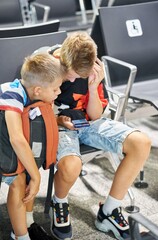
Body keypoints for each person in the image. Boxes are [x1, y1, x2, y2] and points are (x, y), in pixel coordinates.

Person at [35, 32, 150, 240]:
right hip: (56, 122)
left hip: (87, 122)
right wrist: (60, 120)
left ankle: (109, 212)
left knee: (141, 143)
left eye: (80, 76)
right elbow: (35, 110)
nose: (73, 79)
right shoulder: (46, 63)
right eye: (72, 74)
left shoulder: (91, 68)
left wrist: (93, 86)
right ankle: (59, 202)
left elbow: (96, 115)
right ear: (63, 59)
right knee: (71, 165)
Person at [0, 53, 65, 240]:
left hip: (5, 139)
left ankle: (23, 230)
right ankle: (21, 235)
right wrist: (36, 177)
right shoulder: (11, 94)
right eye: (56, 89)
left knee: (23, 178)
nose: (59, 92)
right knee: (20, 180)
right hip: (8, 139)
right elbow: (17, 139)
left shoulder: (33, 94)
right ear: (37, 90)